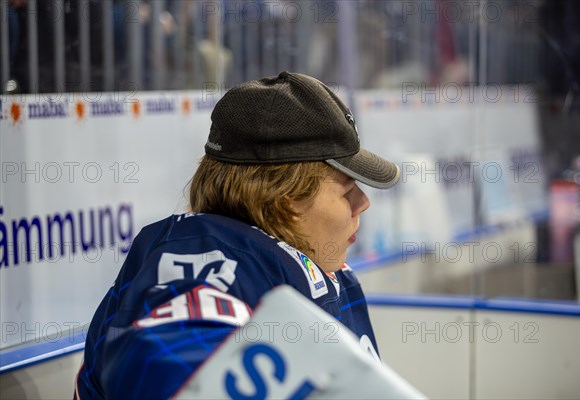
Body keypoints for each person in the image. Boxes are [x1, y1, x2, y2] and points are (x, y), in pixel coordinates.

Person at [74, 71, 401, 399]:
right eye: (346, 190)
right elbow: (170, 371)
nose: (364, 202)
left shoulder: (323, 267)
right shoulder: (199, 266)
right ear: (285, 197)